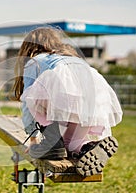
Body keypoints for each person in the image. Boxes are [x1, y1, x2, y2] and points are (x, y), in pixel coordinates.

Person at [11, 27, 123, 176]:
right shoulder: (71, 57)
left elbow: (27, 100)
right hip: (94, 90)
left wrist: (33, 138)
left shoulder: (35, 61)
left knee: (34, 95)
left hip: (63, 86)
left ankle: (52, 142)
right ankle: (88, 148)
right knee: (72, 143)